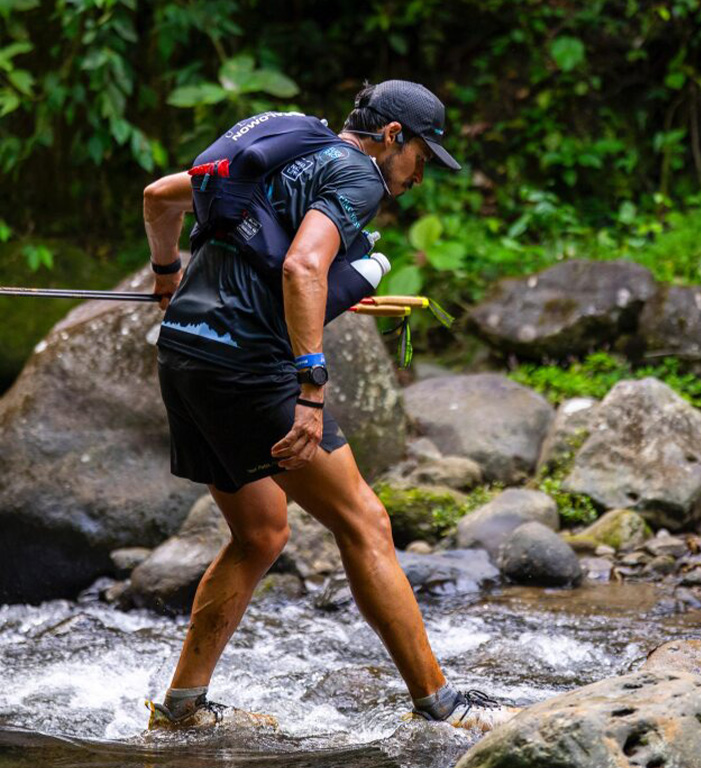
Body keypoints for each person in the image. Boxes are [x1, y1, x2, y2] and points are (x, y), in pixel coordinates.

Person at [142, 80, 517, 732]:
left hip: (184, 357)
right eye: (421, 158)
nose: (418, 177)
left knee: (260, 535)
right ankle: (441, 705)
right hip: (247, 370)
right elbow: (301, 268)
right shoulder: (358, 174)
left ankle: (182, 707)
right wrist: (311, 390)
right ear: (393, 137)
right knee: (366, 522)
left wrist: (166, 274)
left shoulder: (287, 153)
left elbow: (158, 198)